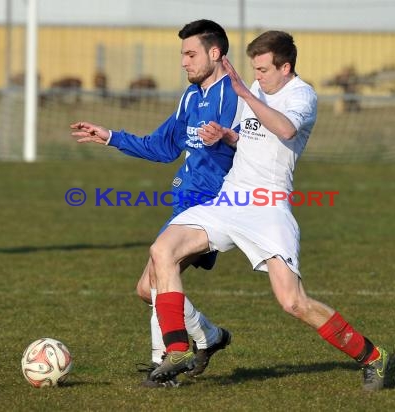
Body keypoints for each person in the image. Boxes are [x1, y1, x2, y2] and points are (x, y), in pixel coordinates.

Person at [148, 30, 390, 391]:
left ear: (285, 66)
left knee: (293, 302)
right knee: (161, 250)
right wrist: (225, 136)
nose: (257, 76)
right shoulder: (257, 90)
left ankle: (372, 356)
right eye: (254, 70)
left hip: (268, 206)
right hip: (230, 200)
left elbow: (285, 128)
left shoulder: (301, 94)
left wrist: (245, 92)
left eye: (263, 70)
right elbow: (251, 136)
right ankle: (179, 349)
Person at [70, 19, 241, 387]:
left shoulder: (237, 96)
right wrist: (110, 136)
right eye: (182, 54)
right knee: (147, 288)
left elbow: (259, 145)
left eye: (191, 53)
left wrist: (230, 138)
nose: (184, 62)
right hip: (186, 203)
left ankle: (163, 364)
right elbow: (162, 147)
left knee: (163, 269)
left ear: (215, 53)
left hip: (215, 206)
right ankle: (209, 337)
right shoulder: (191, 98)